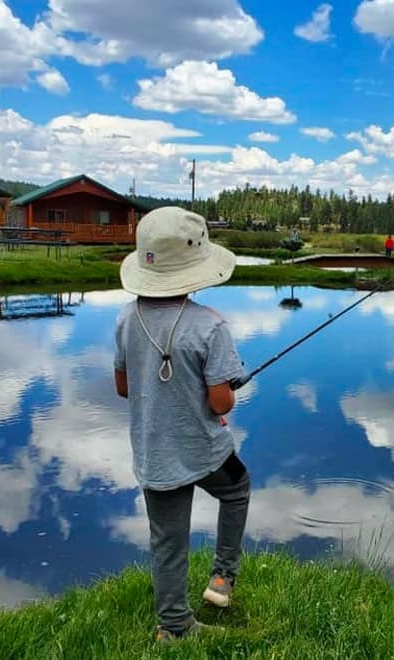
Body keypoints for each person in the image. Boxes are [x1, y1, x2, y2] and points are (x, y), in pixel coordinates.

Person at [113, 206, 251, 643]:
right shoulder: (210, 326)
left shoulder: (124, 320)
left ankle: (173, 627)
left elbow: (123, 387)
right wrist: (228, 391)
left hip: (155, 455)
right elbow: (218, 402)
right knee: (237, 489)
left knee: (167, 541)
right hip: (204, 451)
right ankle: (222, 579)